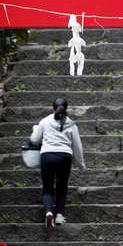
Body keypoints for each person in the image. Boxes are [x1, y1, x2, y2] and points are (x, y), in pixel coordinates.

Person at [30, 97, 86, 230]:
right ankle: (59, 215)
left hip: (47, 155)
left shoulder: (44, 121)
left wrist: (35, 129)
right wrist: (81, 163)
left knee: (48, 187)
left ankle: (49, 212)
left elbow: (34, 140)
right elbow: (77, 146)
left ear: (53, 108)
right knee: (62, 186)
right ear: (66, 108)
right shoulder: (71, 124)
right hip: (65, 156)